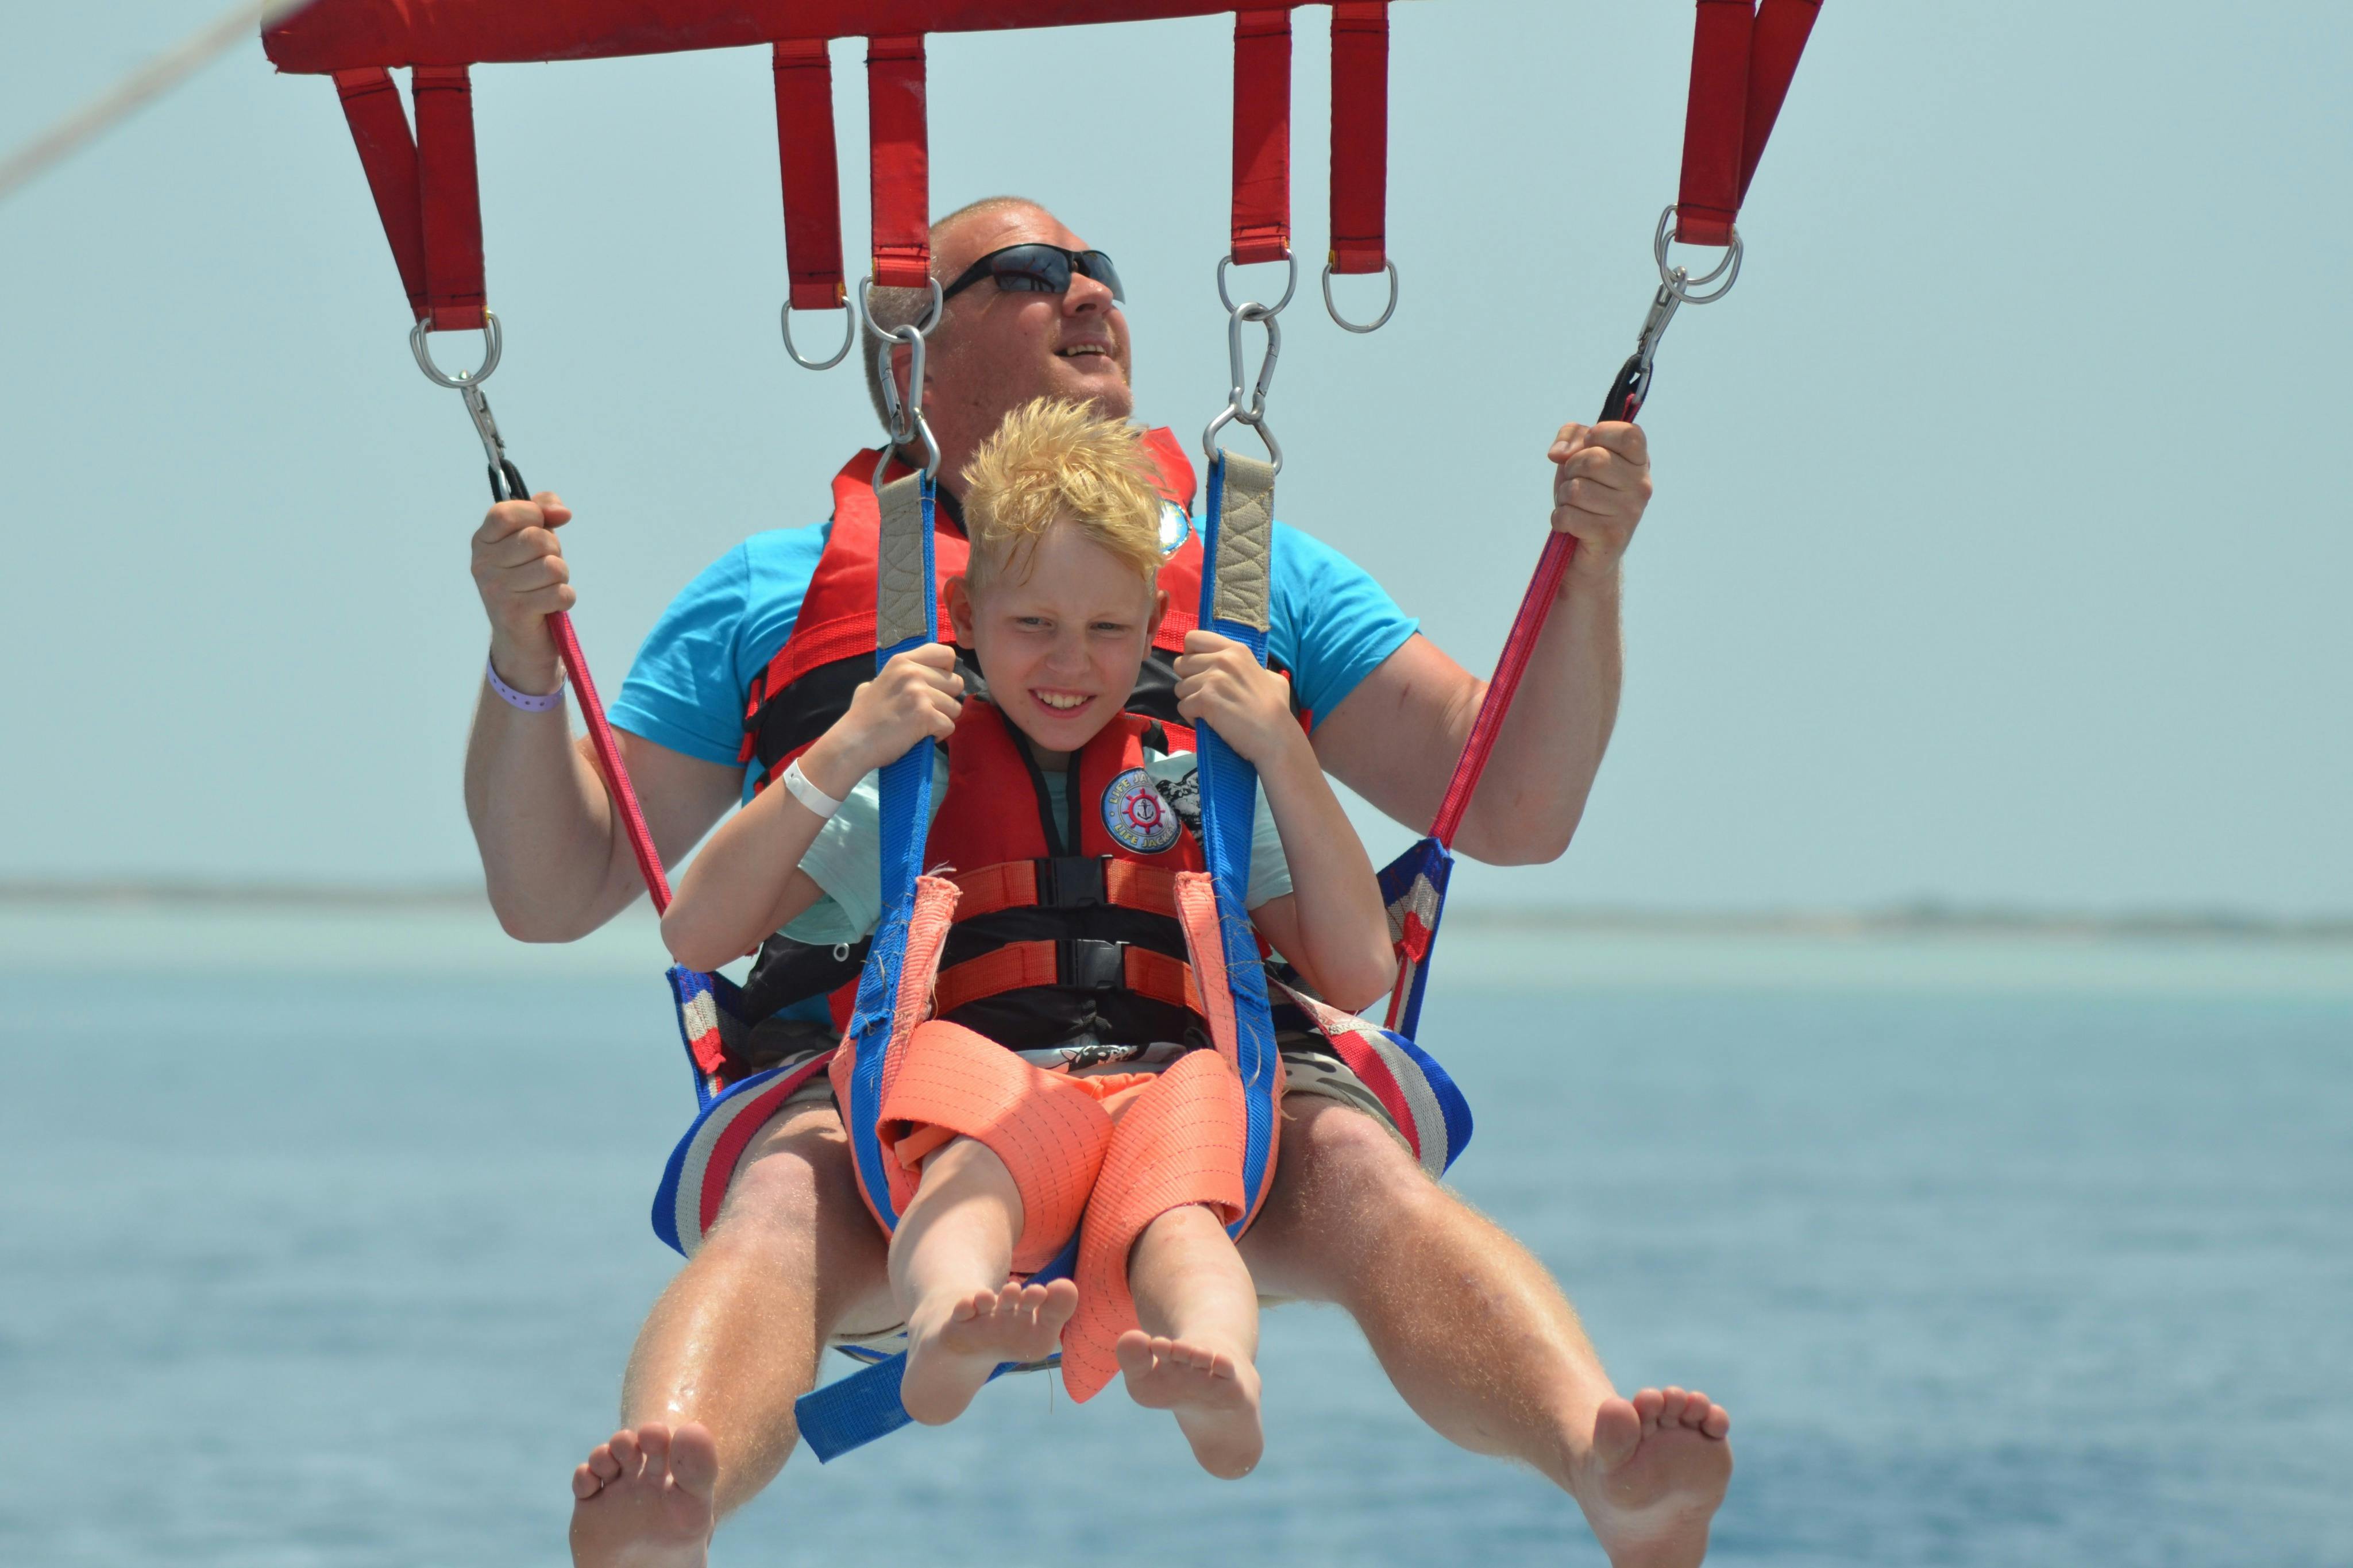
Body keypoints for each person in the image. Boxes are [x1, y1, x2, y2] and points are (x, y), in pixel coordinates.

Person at [468, 196, 1733, 1568]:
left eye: (1098, 271)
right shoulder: (768, 596)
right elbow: (562, 891)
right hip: (889, 1077)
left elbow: (1509, 808)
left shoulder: (1251, 577)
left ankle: (1598, 1458)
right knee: (778, 1198)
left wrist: (1589, 570)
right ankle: (674, 1491)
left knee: (1364, 1174)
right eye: (1026, 274)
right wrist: (523, 651)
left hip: (1208, 1080)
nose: (1086, 296)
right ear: (911, 355)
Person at [661, 398, 1399, 1480]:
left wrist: (1282, 750)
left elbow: (1360, 970)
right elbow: (697, 925)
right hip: (988, 1091)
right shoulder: (916, 774)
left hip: (1163, 1088)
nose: (1072, 662)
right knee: (969, 1178)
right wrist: (847, 743)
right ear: (963, 611)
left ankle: (1216, 1368)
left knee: (1185, 1223)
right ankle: (949, 1325)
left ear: (1155, 622)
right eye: (1033, 626)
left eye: (1108, 629)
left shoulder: (1199, 780)